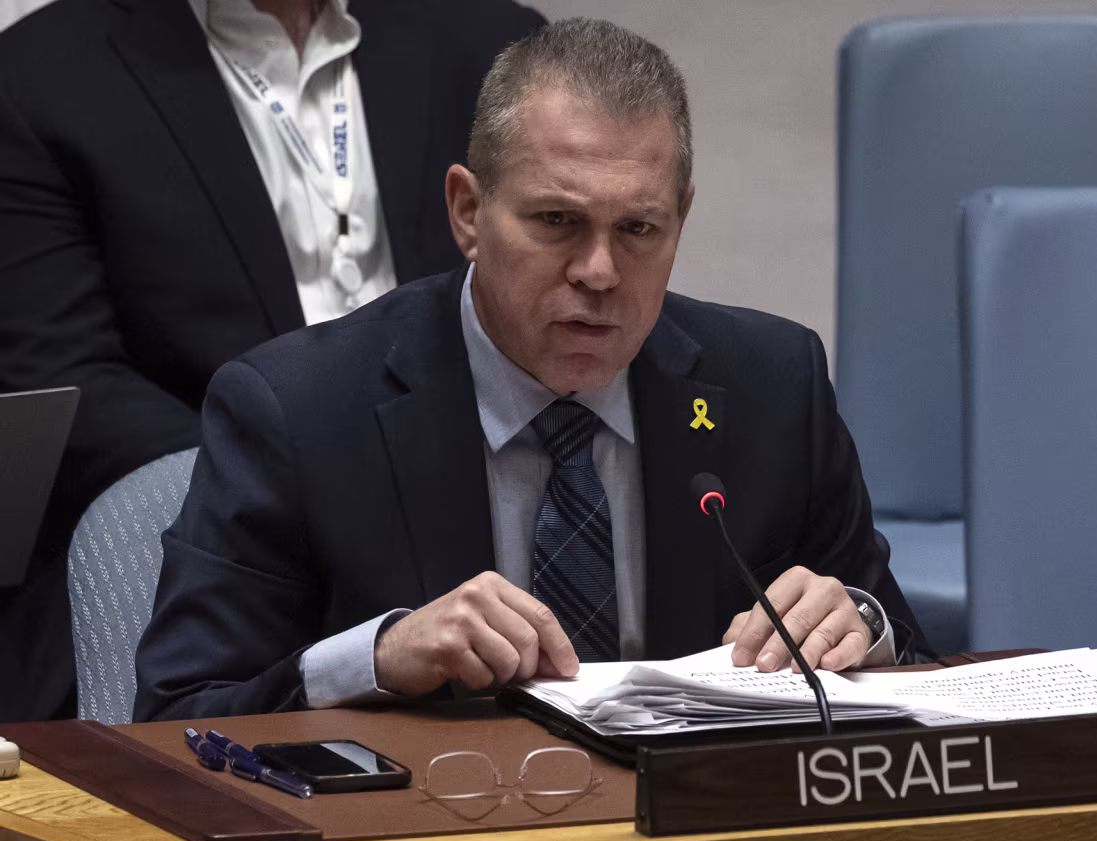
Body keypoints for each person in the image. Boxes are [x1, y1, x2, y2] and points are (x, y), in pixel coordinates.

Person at [134, 18, 929, 722]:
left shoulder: (772, 386)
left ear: (680, 217)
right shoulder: (297, 411)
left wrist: (859, 622)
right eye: (557, 221)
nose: (599, 271)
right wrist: (375, 659)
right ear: (468, 212)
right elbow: (178, 712)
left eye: (639, 228)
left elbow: (917, 667)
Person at [0, 0, 545, 722]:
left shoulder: (491, 42)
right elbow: (69, 380)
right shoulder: (40, 74)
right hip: (214, 545)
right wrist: (313, 490)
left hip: (474, 529)